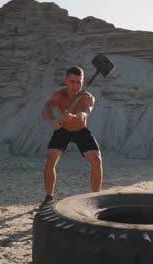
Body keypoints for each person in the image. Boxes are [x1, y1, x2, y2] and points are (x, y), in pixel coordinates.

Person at [39, 66, 102, 208]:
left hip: (81, 130)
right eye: (72, 81)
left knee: (97, 160)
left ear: (83, 82)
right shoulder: (59, 95)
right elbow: (46, 109)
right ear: (66, 81)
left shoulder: (88, 97)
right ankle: (49, 198)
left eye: (78, 82)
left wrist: (73, 116)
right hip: (63, 130)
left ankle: (96, 198)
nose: (75, 85)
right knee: (51, 158)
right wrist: (53, 121)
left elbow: (84, 114)